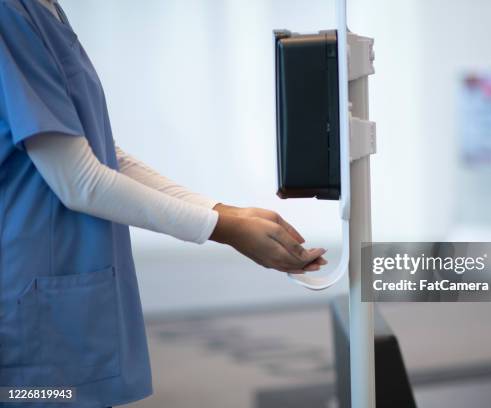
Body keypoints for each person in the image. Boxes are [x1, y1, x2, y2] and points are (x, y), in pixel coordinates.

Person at [0, 0, 326, 406]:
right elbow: (77, 180)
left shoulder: (45, 10)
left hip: (67, 292)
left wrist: (225, 213)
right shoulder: (11, 16)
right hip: (31, 296)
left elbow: (105, 155)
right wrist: (224, 229)